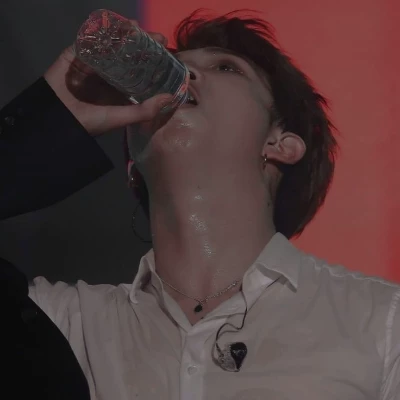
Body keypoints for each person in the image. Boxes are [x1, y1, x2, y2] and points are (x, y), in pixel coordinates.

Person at [1, 10, 400, 400]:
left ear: (281, 143)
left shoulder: (381, 322)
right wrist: (48, 116)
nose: (183, 74)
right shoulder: (58, 322)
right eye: (173, 64)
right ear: (132, 166)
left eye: (226, 68)